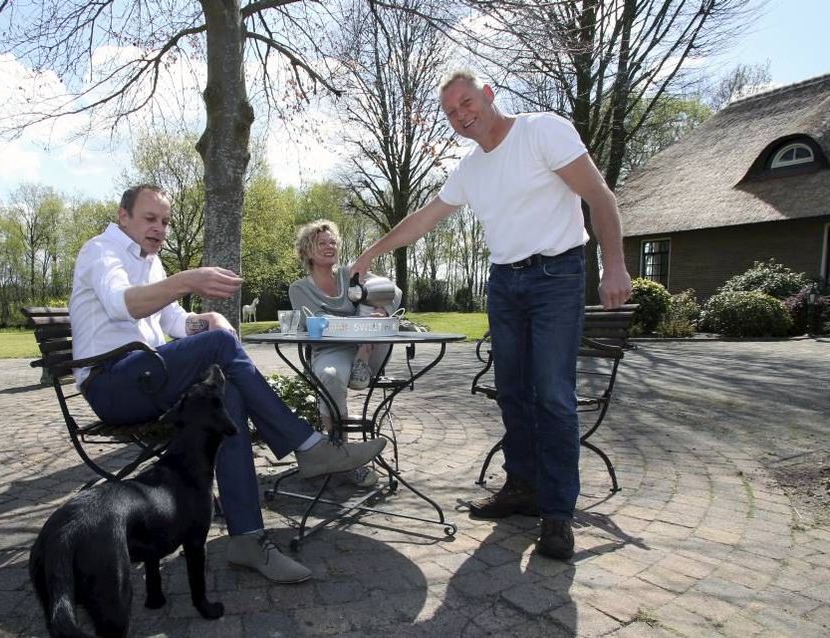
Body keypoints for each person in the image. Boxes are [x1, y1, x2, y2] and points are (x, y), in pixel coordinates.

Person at [351, 71, 632, 561]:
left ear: (488, 94)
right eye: (451, 112)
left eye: (466, 102)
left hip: (557, 276)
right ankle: (522, 488)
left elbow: (599, 197)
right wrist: (371, 251)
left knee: (554, 396)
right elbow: (423, 218)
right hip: (504, 283)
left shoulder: (542, 130)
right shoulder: (470, 170)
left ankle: (559, 514)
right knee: (513, 392)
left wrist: (615, 265)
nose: (461, 115)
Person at [70, 184, 386, 583]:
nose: (160, 229)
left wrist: (207, 321)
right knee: (219, 347)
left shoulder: (151, 263)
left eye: (165, 222)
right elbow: (122, 304)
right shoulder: (102, 251)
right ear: (123, 216)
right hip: (112, 384)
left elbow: (173, 324)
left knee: (229, 395)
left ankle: (247, 539)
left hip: (147, 376)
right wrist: (188, 281)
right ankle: (310, 446)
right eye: (150, 219)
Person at [288, 220, 402, 488]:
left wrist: (382, 311)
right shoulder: (299, 289)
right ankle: (346, 458)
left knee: (372, 306)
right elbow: (314, 323)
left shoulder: (350, 273)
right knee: (329, 377)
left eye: (333, 242)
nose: (330, 247)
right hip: (331, 349)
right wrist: (353, 325)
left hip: (366, 347)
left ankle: (362, 363)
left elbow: (392, 291)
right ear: (307, 251)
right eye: (322, 243)